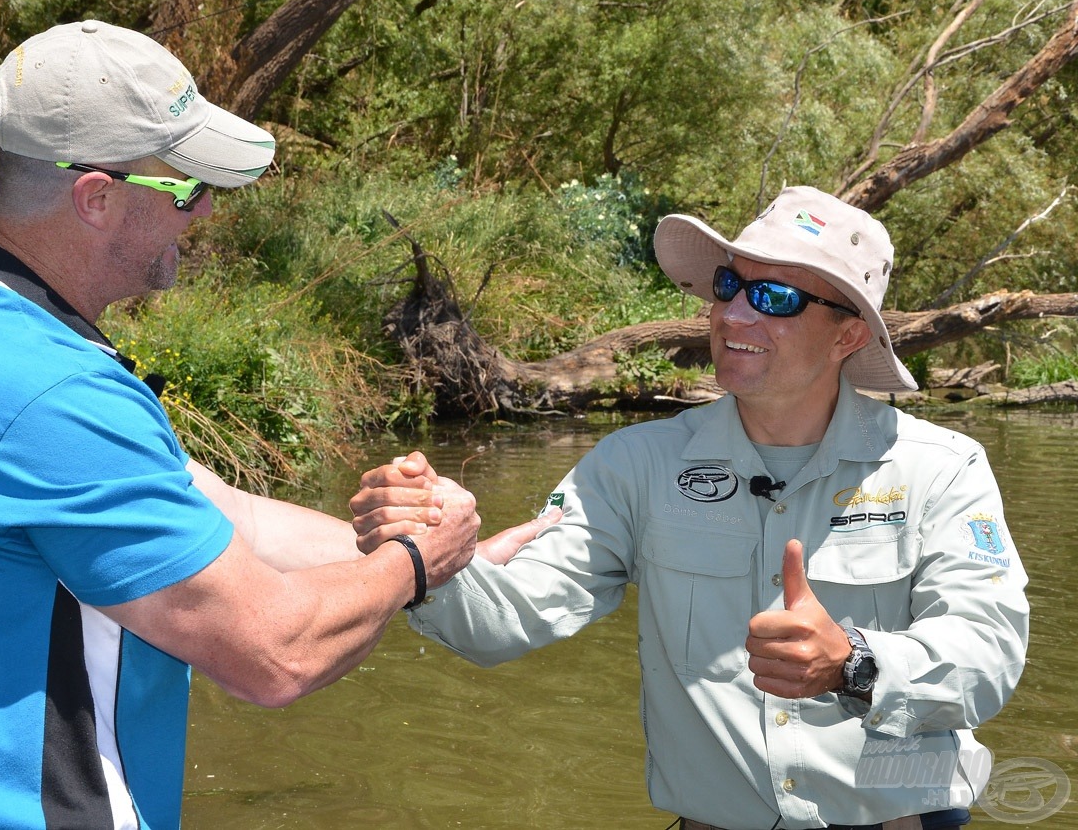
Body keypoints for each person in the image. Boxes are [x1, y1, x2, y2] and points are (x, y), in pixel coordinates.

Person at [0, 20, 547, 830]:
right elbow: (276, 654)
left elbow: (227, 515)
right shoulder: (49, 394)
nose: (203, 213)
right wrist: (413, 563)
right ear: (95, 196)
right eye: (188, 187)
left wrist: (443, 551)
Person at [353, 186, 1029, 830]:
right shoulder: (633, 466)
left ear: (848, 337)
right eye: (730, 286)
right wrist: (425, 548)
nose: (734, 314)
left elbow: (988, 654)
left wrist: (853, 662)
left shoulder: (942, 469)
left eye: (774, 297)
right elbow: (503, 619)